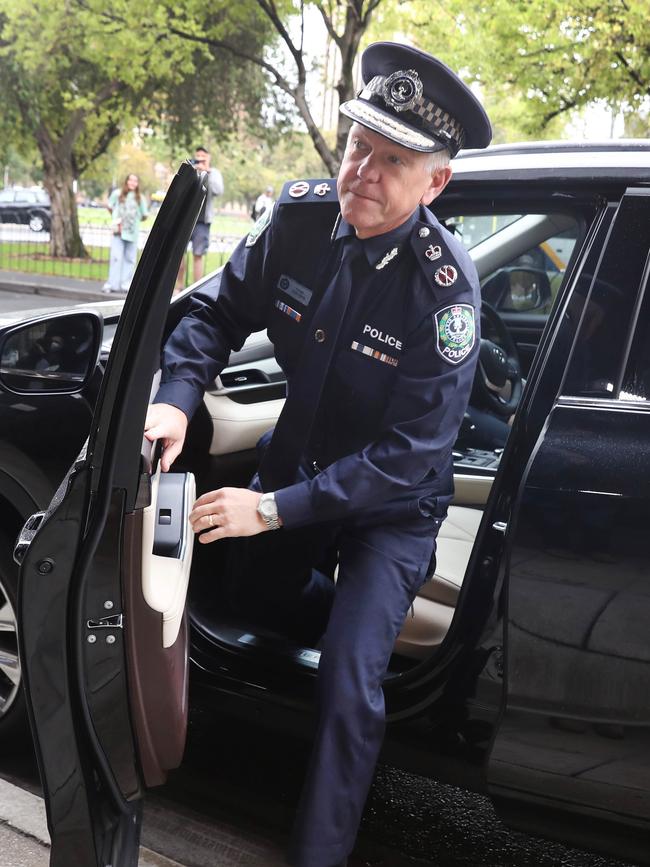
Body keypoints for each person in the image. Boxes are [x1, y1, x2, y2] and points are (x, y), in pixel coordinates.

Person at [145, 42, 491, 867]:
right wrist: (174, 398)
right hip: (296, 466)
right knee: (235, 586)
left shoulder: (445, 296)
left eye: (393, 160)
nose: (363, 171)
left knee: (347, 681)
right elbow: (210, 315)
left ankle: (317, 853)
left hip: (387, 511)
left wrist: (266, 509)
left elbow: (408, 455)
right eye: (357, 145)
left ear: (434, 184)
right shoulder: (300, 220)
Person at [174, 146, 224, 293]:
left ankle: (195, 290)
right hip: (185, 219)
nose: (201, 158)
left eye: (204, 155)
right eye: (199, 155)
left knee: (198, 254)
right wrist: (193, 171)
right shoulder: (190, 169)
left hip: (202, 222)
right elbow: (180, 189)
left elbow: (217, 191)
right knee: (178, 254)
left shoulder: (214, 173)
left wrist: (207, 171)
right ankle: (178, 286)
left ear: (209, 158)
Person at [103, 174, 148, 293]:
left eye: (135, 181)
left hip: (132, 232)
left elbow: (144, 215)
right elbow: (109, 206)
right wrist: (115, 217)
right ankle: (112, 284)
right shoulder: (117, 194)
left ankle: (126, 284)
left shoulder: (140, 198)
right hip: (119, 231)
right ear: (126, 181)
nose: (133, 183)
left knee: (130, 259)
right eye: (131, 180)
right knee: (116, 257)